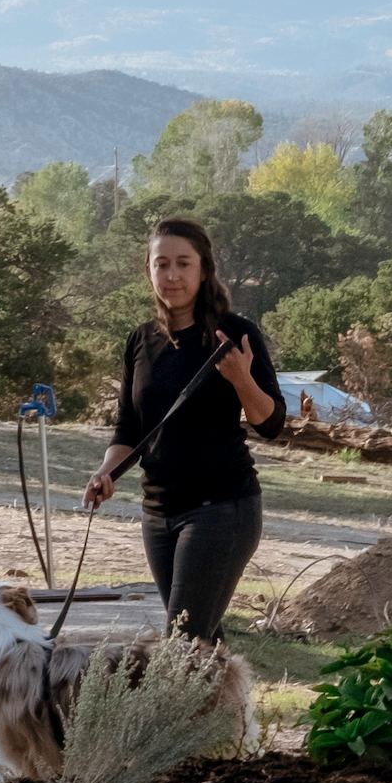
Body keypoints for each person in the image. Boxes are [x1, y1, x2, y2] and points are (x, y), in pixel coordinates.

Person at [81, 216, 285, 643]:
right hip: (157, 512)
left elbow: (271, 424)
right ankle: (230, 711)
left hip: (222, 509)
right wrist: (106, 473)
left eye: (183, 264)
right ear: (148, 269)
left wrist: (241, 379)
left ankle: (187, 711)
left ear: (204, 269)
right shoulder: (140, 340)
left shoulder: (236, 334)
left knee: (183, 642)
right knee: (201, 643)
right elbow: (128, 428)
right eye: (161, 264)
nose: (171, 275)